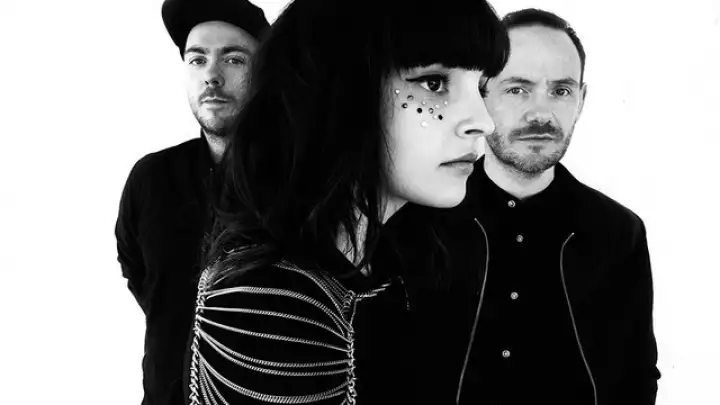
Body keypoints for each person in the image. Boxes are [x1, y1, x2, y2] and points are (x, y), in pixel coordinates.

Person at [183, 0, 510, 403]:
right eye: (434, 83)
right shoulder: (267, 303)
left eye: (481, 88)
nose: (483, 122)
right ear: (337, 89)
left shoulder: (412, 257)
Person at [398, 8, 661, 405]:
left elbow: (636, 375)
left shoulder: (619, 232)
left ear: (581, 100)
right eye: (517, 89)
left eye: (561, 91)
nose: (541, 113)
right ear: (481, 96)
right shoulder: (417, 220)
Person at [114, 1, 269, 404]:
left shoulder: (300, 183)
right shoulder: (151, 178)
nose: (211, 76)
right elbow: (137, 269)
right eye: (197, 59)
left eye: (233, 59)